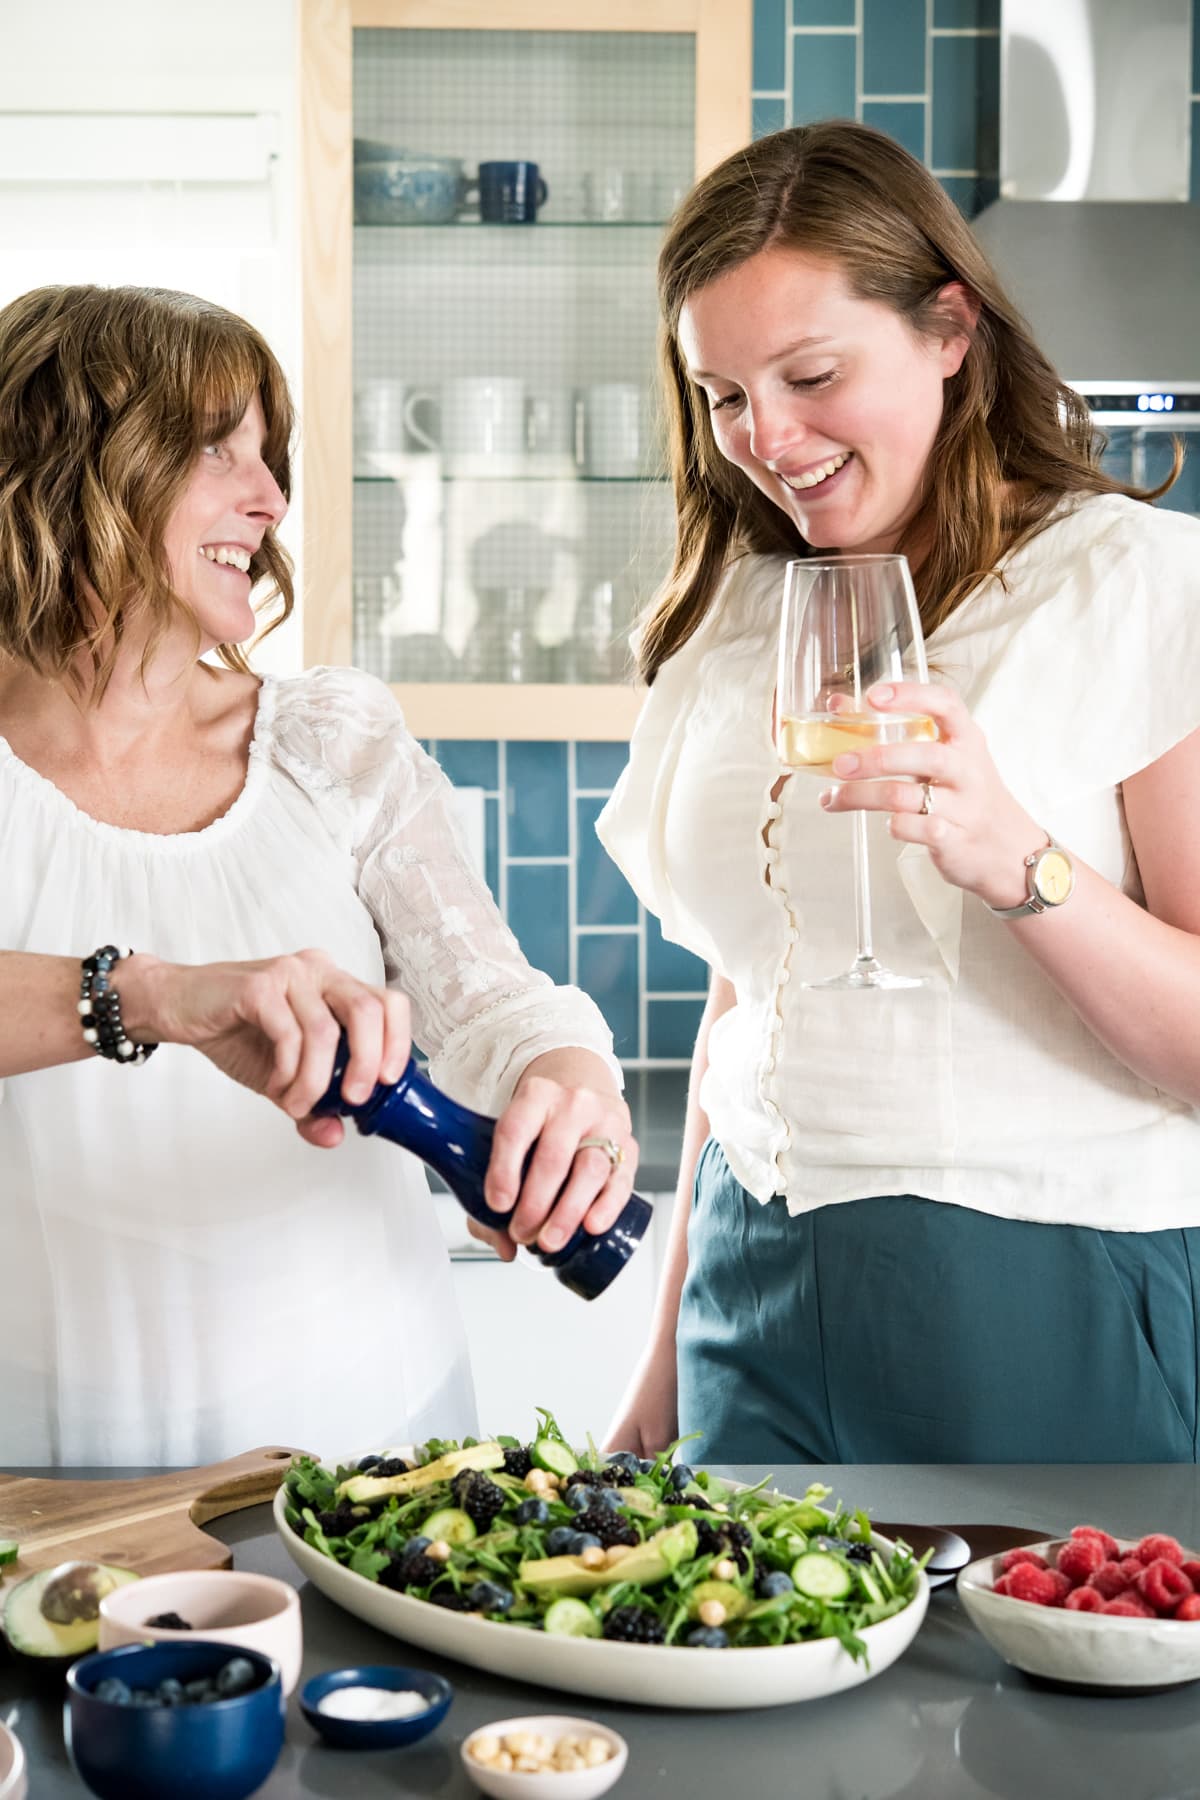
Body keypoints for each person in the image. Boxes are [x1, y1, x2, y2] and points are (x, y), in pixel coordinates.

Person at [598, 121, 1200, 1465]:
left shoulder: (1138, 587)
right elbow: (753, 985)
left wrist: (1018, 862)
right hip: (747, 1286)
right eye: (724, 395)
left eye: (811, 375)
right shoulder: (745, 612)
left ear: (948, 328)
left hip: (1044, 1289)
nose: (767, 437)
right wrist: (663, 1350)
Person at [0, 282, 637, 1467]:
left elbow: (489, 998)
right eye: (214, 450)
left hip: (360, 1437)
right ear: (70, 467)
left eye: (270, 455)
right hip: (34, 1456)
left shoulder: (331, 739)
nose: (271, 498)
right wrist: (156, 996)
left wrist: (569, 1082)